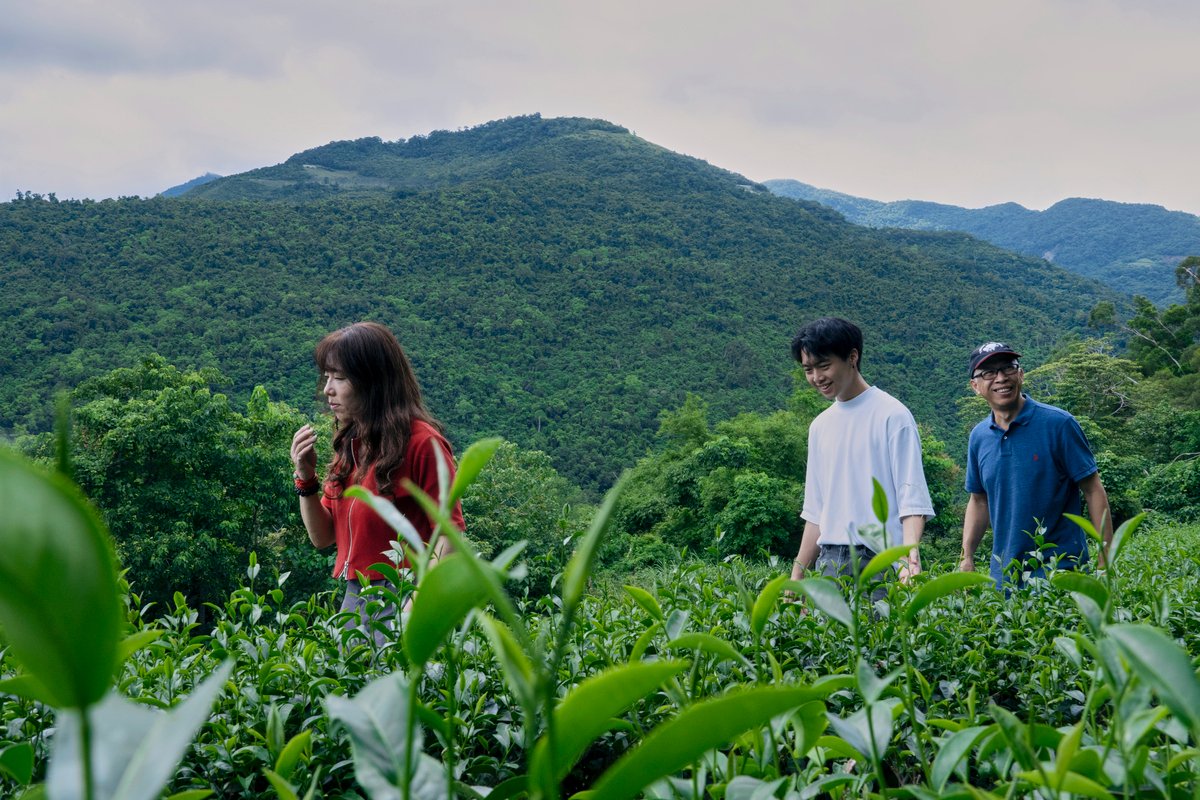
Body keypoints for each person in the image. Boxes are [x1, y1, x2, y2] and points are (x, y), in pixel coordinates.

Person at [290, 322, 464, 635]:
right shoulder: (351, 446)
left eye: (339, 378)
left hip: (405, 592)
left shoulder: (422, 443)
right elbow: (323, 537)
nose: (328, 389)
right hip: (357, 596)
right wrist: (305, 478)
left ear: (373, 382)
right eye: (326, 377)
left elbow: (449, 533)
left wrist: (415, 608)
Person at [788, 317, 934, 599]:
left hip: (881, 562)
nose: (816, 377)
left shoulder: (893, 415)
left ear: (852, 357)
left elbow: (912, 497)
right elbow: (816, 512)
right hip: (829, 564)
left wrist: (909, 558)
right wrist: (797, 576)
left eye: (824, 365)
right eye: (809, 369)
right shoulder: (819, 426)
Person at [959, 342, 1112, 586]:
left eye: (1007, 368)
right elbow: (979, 500)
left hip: (1060, 570)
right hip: (1004, 577)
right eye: (989, 373)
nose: (1000, 378)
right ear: (975, 386)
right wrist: (967, 556)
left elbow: (1093, 489)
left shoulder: (1058, 424)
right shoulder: (979, 437)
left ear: (1020, 374)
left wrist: (1106, 559)